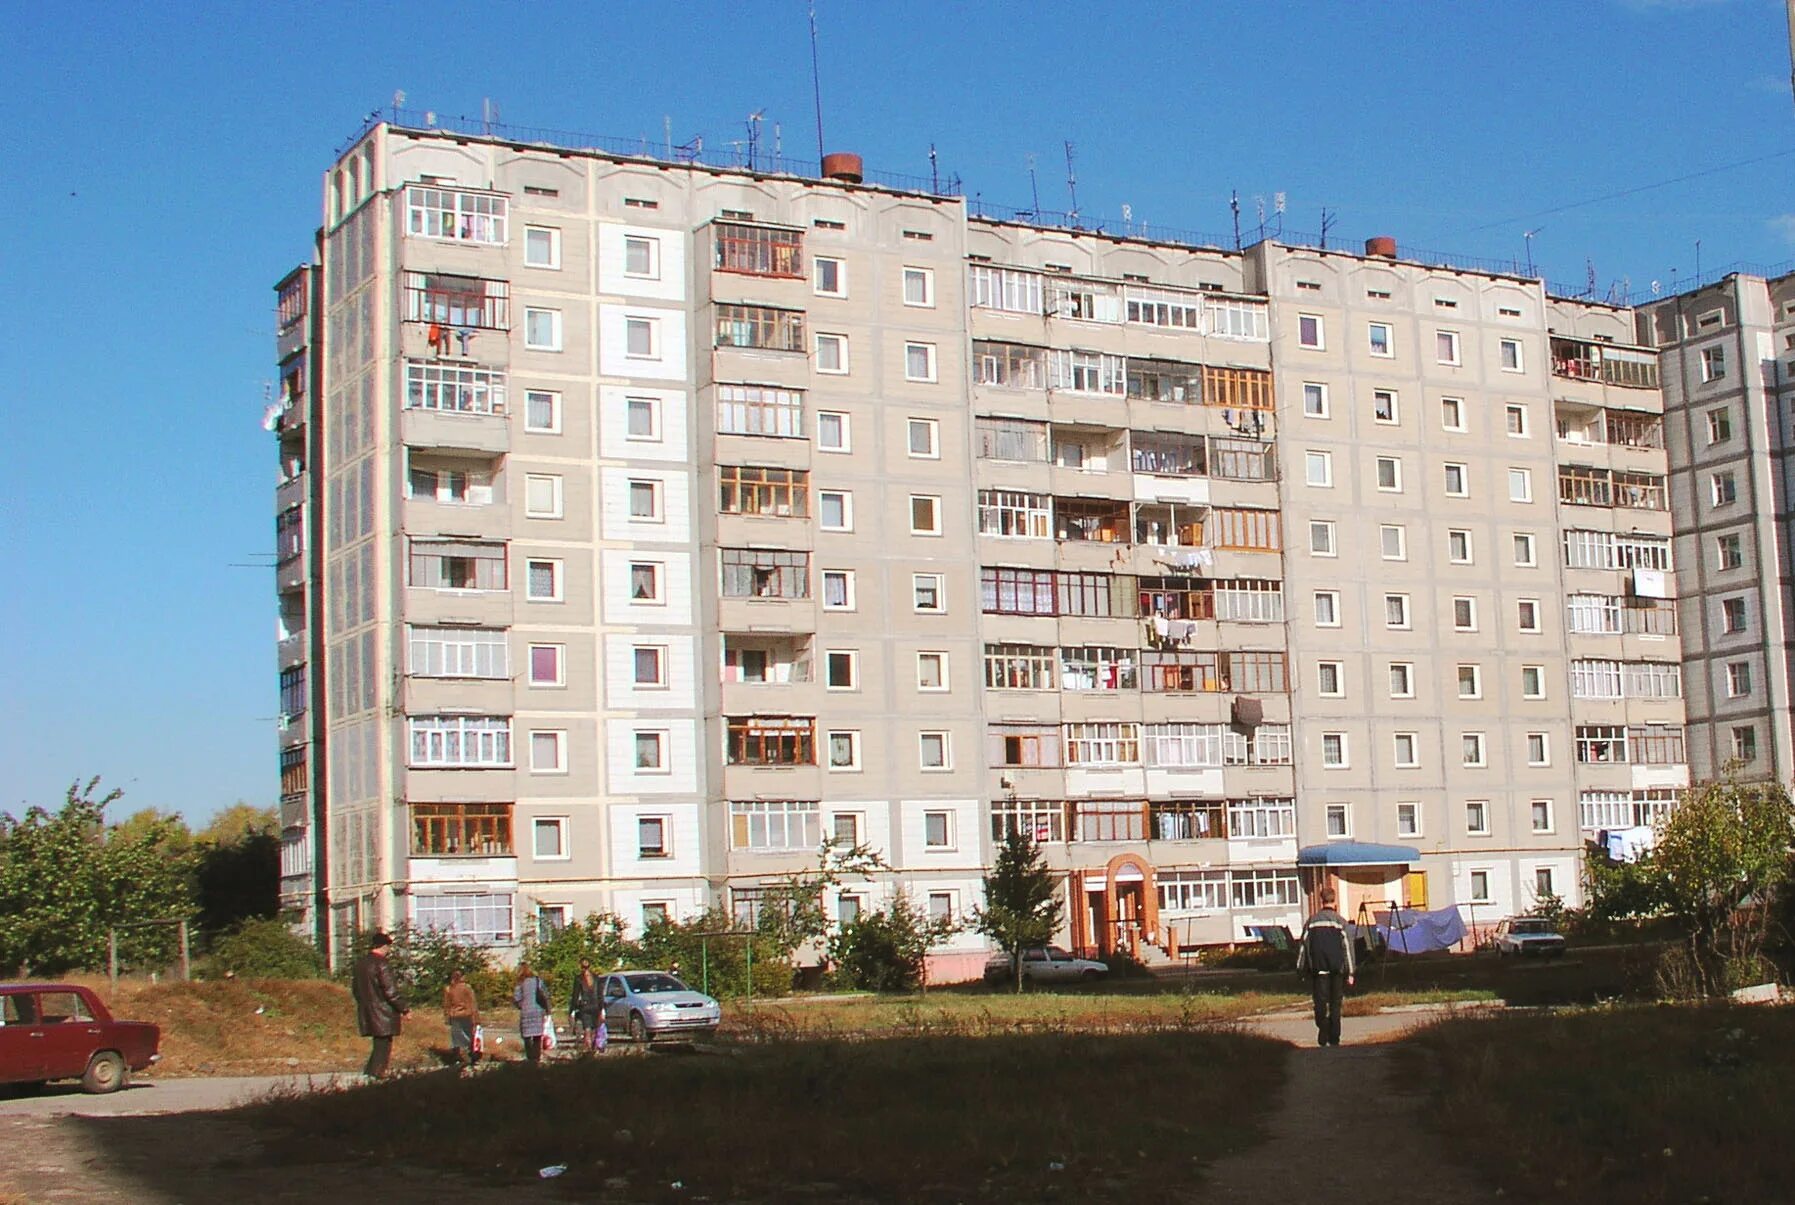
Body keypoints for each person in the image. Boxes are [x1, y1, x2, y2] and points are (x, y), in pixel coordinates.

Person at [1296, 886, 1356, 1047]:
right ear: (1334, 901)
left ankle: (1323, 1026)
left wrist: (1300, 968)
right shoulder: (1340, 922)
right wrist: (1350, 972)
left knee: (1320, 1004)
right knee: (1336, 1005)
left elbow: (1303, 946)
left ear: (1321, 901)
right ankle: (1334, 1038)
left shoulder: (1312, 922)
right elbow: (1347, 948)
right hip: (1337, 970)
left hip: (1319, 970)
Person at [352, 932, 409, 1078]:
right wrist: (404, 1009)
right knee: (383, 1046)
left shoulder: (360, 964)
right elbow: (390, 990)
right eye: (388, 947)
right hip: (383, 1012)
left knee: (378, 1045)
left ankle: (370, 1073)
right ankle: (376, 1075)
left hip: (367, 1010)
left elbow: (355, 990)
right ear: (384, 946)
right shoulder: (382, 964)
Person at [513, 962, 551, 1065]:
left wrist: (521, 1005)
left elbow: (516, 998)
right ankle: (536, 1057)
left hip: (526, 1011)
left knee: (527, 1036)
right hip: (538, 1011)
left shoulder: (520, 983)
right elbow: (545, 994)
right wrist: (547, 1009)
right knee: (537, 1036)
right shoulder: (538, 981)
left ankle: (530, 1057)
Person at [443, 969, 480, 1071]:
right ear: (462, 977)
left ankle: (458, 1059)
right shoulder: (467, 988)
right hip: (467, 1015)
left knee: (456, 1039)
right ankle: (470, 1059)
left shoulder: (449, 989)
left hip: (454, 1016)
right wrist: (476, 1020)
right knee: (468, 1038)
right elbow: (473, 1004)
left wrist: (447, 1018)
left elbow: (446, 1005)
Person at [571, 960, 606, 1054]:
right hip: (596, 1006)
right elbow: (600, 995)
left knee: (587, 1030)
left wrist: (572, 1009)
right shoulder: (596, 978)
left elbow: (575, 995)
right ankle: (595, 1049)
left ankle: (589, 1050)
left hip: (585, 1006)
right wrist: (602, 1008)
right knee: (595, 1029)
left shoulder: (578, 979)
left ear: (580, 966)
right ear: (589, 966)